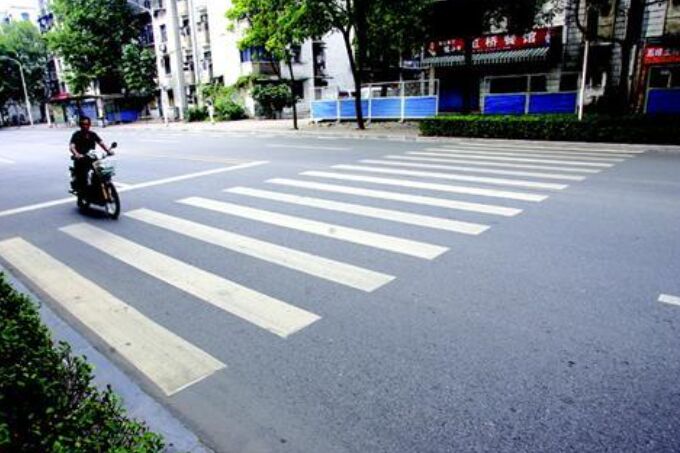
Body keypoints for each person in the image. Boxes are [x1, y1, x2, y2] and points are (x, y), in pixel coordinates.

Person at [69, 116, 113, 193]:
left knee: (102, 173)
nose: (85, 126)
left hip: (92, 158)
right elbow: (72, 146)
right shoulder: (76, 134)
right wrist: (77, 154)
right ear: (80, 125)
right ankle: (83, 192)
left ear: (90, 125)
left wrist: (108, 151)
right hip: (81, 159)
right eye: (83, 124)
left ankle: (97, 188)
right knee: (83, 177)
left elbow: (101, 143)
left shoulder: (93, 134)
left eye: (87, 124)